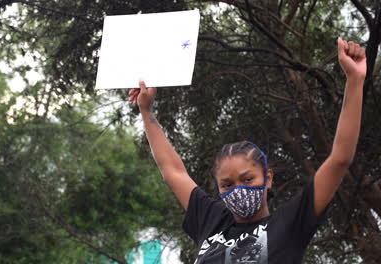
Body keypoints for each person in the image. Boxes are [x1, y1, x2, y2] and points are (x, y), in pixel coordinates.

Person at [128, 37, 366, 264]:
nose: (238, 189)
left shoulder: (290, 223)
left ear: (268, 177)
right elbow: (173, 172)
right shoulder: (212, 220)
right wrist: (147, 112)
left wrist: (354, 80)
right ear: (218, 188)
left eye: (248, 179)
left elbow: (340, 158)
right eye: (227, 184)